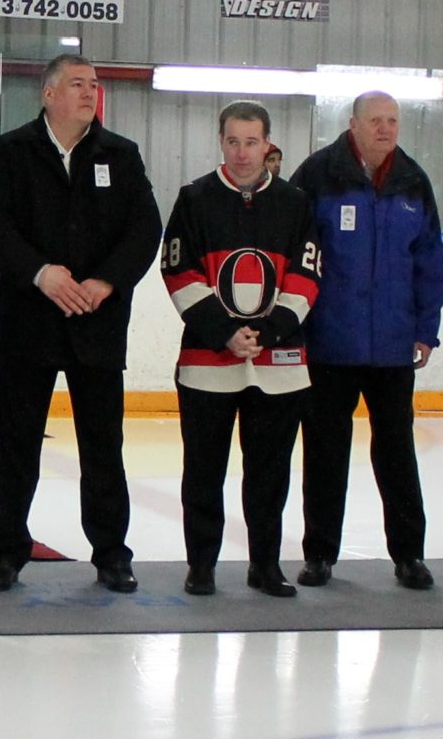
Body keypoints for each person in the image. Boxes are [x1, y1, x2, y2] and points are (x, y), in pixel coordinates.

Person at [0, 54, 161, 594]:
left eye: (95, 84)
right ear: (48, 94)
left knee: (103, 447)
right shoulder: (11, 151)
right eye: (77, 83)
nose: (90, 92)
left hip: (97, 323)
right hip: (28, 324)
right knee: (17, 446)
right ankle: (6, 551)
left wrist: (105, 281)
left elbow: (143, 229)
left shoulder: (120, 155)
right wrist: (40, 273)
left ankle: (110, 553)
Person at [288, 91, 443, 591]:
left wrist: (426, 329)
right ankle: (319, 554)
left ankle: (409, 556)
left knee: (397, 452)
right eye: (376, 120)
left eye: (393, 121)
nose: (385, 129)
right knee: (324, 452)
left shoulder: (413, 181)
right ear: (353, 124)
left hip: (393, 347)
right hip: (329, 344)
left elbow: (429, 261)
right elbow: (294, 255)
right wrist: (296, 326)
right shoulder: (317, 175)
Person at [162, 101, 320, 598]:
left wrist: (270, 331)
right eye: (233, 141)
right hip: (208, 365)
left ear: (268, 144)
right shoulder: (194, 199)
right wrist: (223, 331)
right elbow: (177, 269)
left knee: (269, 475)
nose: (242, 152)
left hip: (280, 367)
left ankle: (265, 565)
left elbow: (308, 271)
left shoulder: (295, 203)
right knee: (203, 472)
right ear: (221, 142)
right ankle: (202, 565)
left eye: (252, 142)